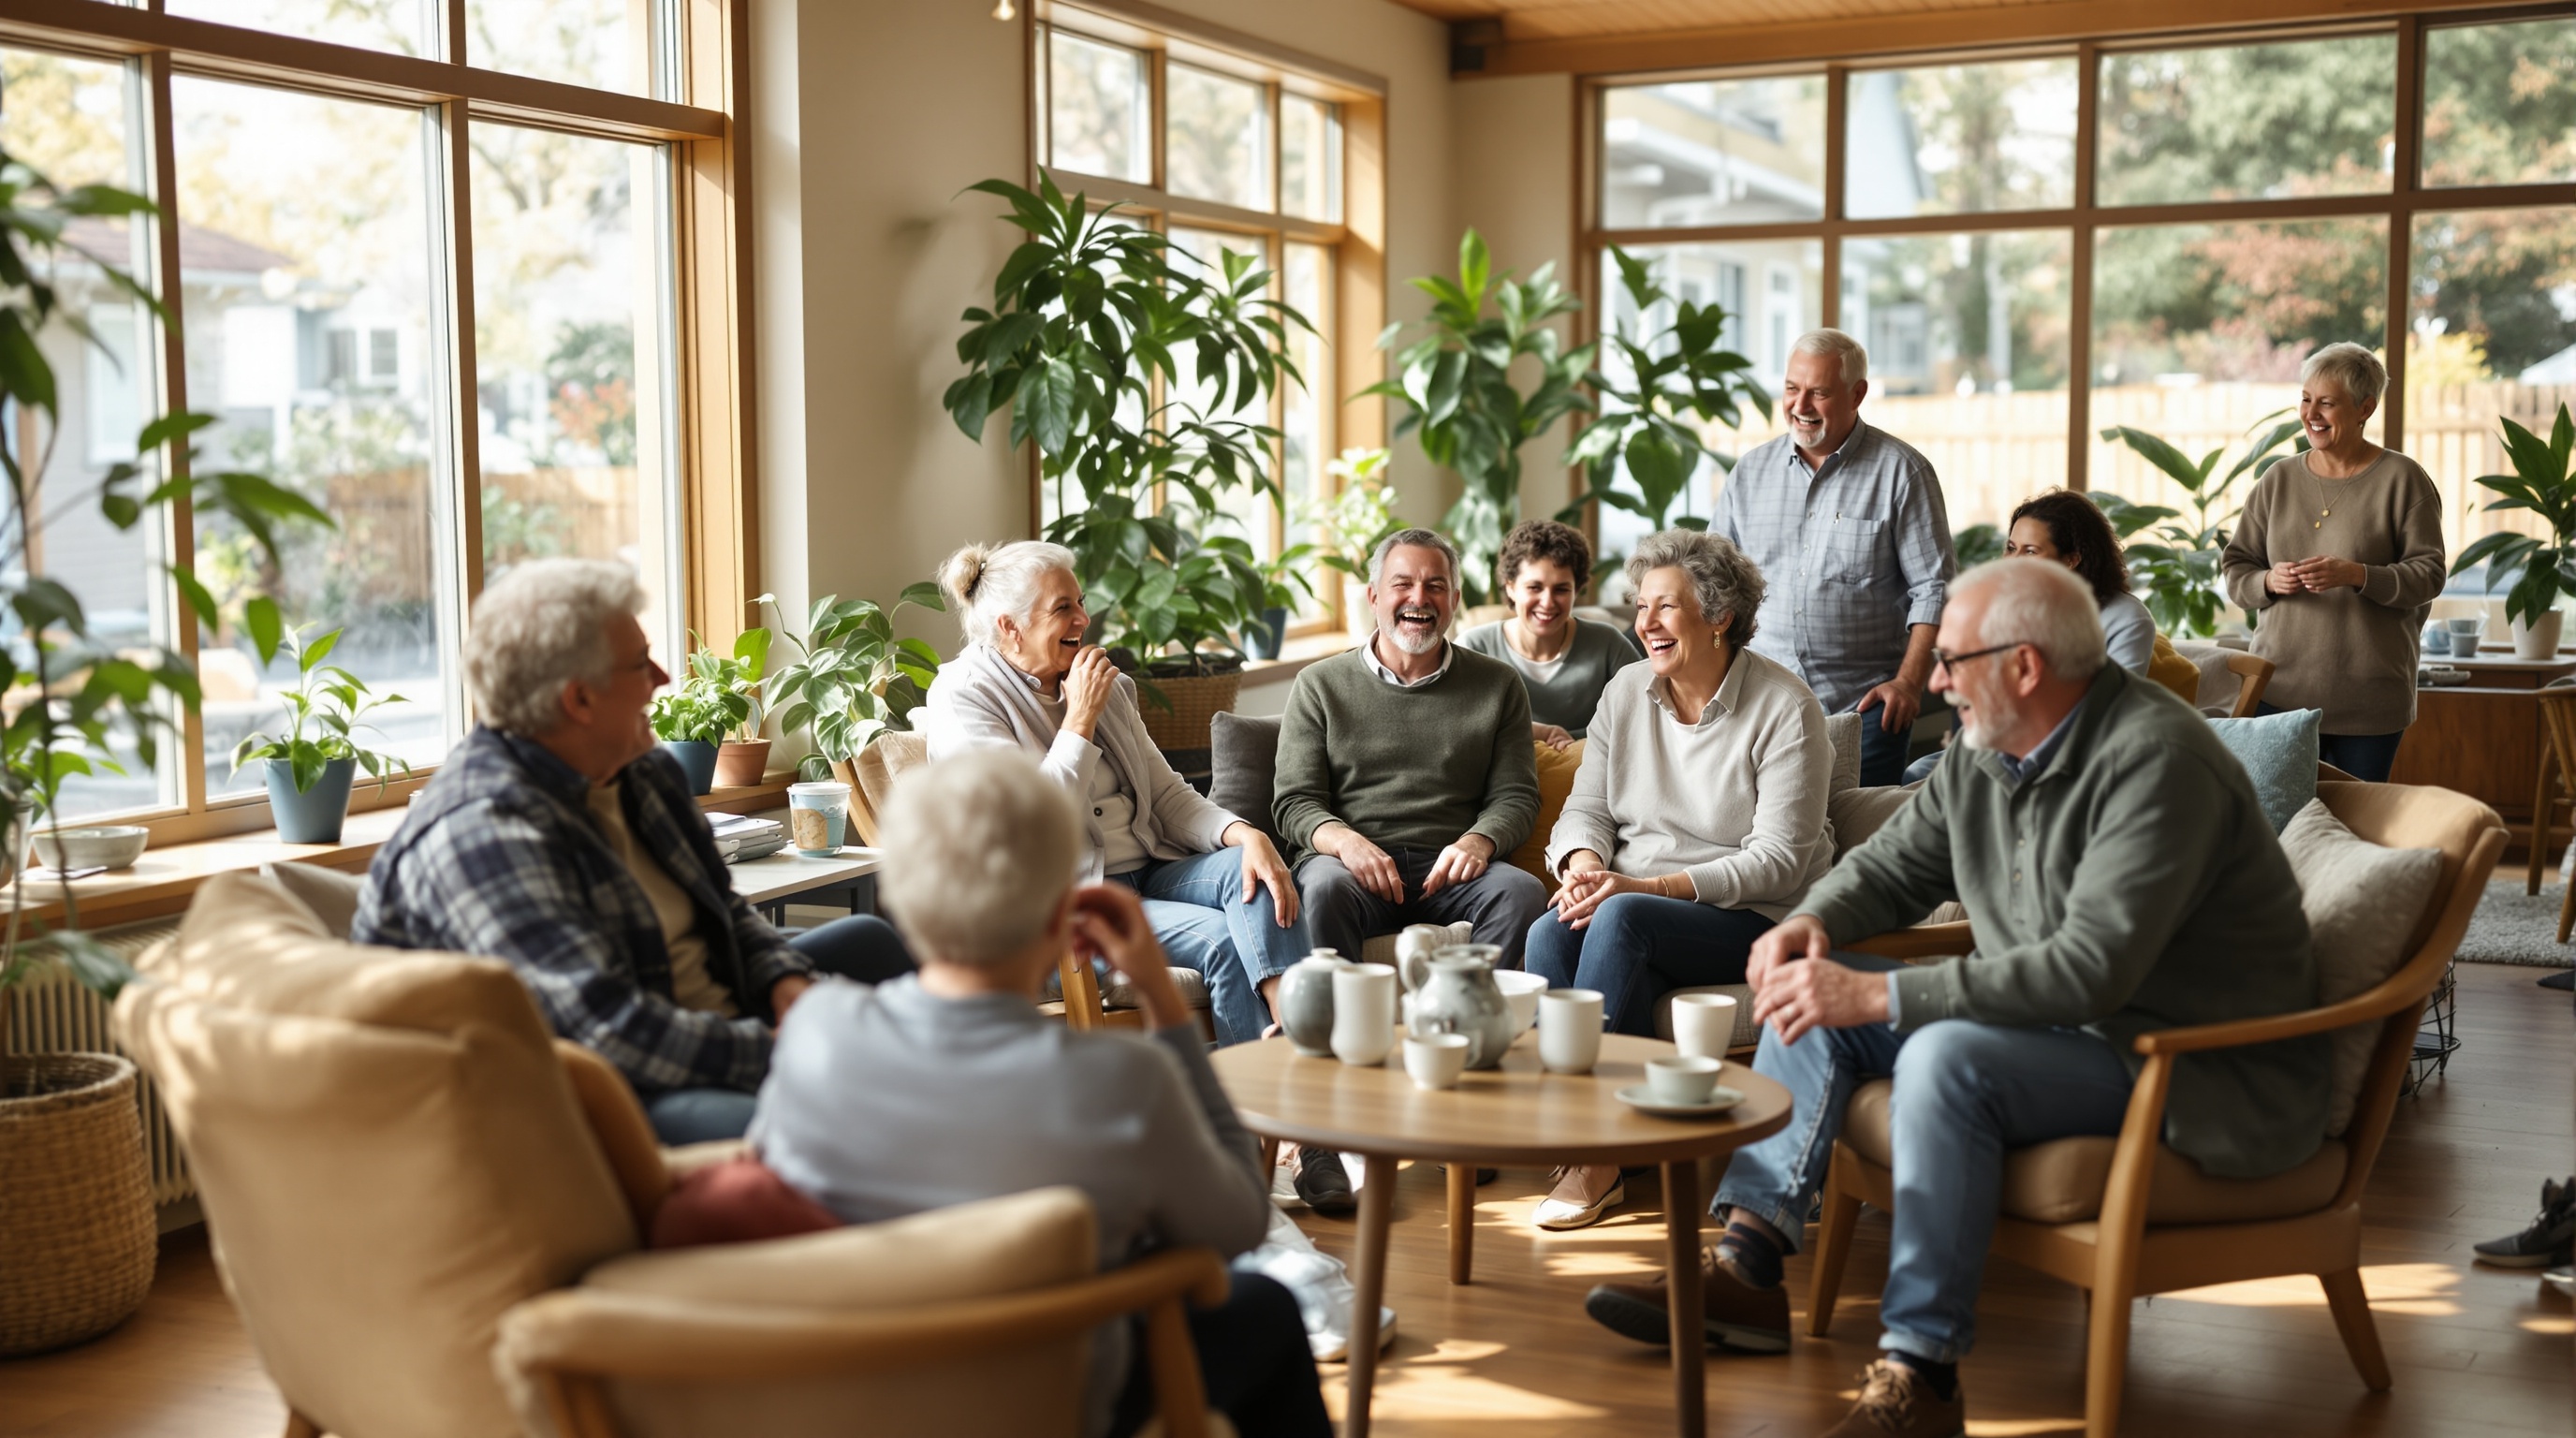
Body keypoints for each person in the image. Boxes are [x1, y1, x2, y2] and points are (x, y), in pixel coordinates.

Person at [1578, 559, 2325, 1438]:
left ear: (2025, 666)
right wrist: (1808, 926)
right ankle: (1745, 1273)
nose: (1931, 679)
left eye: (1953, 660)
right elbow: (1893, 868)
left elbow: (2090, 972)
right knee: (1814, 997)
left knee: (1939, 1051)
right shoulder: (1989, 742)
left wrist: (1874, 995)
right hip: (2054, 1025)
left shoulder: (2155, 763)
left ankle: (1922, 1374)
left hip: (2185, 1057)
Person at [752, 749, 1330, 1438]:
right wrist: (1165, 1010)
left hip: (855, 1397)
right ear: (1064, 910)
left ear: (898, 896)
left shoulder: (812, 1033)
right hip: (1051, 1401)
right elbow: (1236, 1224)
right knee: (1262, 1306)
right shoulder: (1123, 1082)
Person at [352, 559, 915, 1146]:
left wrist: (786, 985)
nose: (662, 676)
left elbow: (724, 910)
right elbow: (606, 1030)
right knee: (816, 1123)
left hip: (704, 1021)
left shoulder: (641, 774)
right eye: (638, 662)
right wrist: (786, 1048)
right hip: (599, 1094)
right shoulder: (484, 833)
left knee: (867, 944)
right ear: (580, 700)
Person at [1523, 529, 1833, 1231]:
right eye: (1640, 608)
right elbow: (1587, 809)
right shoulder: (1627, 691)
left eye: (1665, 608)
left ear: (1719, 616)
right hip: (1636, 904)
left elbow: (1779, 860)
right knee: (1549, 929)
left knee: (1621, 922)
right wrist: (1582, 866)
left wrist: (1642, 891)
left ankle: (1600, 1155)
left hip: (1756, 914)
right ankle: (1593, 1135)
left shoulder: (1786, 709)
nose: (1645, 625)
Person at [922, 540, 1307, 1049]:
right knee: (1221, 944)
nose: (1083, 619)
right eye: (1063, 608)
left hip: (1149, 870)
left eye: (1080, 602)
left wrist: (1245, 833)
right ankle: (1255, 1110)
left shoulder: (1106, 684)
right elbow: (1030, 829)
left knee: (1256, 872)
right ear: (1009, 628)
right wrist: (1079, 719)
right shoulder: (964, 697)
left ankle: (1293, 1046)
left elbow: (1167, 794)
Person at [1274, 527, 1548, 1206]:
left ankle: (1473, 1120)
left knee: (1519, 893)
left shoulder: (1498, 685)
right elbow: (1294, 802)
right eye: (1403, 584)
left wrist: (1482, 841)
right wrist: (1343, 839)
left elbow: (1517, 793)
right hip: (1352, 866)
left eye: (1434, 586)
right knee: (1322, 891)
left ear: (1455, 599)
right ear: (1373, 596)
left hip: (1454, 865)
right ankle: (1322, 1142)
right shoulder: (1319, 685)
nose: (1417, 599)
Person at [1717, 329, 1955, 787]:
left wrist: (1907, 684)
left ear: (1857, 394)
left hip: (1864, 712)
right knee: (1773, 847)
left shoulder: (1903, 474)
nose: (1800, 405)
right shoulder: (1749, 473)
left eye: (1819, 392)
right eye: (1791, 388)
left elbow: (1935, 589)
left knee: (1860, 847)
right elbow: (1713, 580)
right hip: (1760, 708)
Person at [2221, 342, 2446, 783]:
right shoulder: (2278, 479)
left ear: (2366, 408)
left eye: (2327, 403)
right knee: (2277, 827)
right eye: (2306, 399)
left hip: (2372, 700)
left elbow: (2429, 575)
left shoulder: (2403, 480)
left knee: (2354, 833)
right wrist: (2269, 581)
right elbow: (2237, 567)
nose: (2311, 414)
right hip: (2279, 693)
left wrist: (2358, 575)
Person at [1457, 520, 1643, 746]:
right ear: (1510, 587)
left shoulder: (1608, 644)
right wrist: (1541, 732)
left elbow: (1643, 716)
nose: (1547, 602)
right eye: (1534, 587)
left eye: (1561, 589)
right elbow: (1458, 721)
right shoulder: (1474, 647)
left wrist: (1573, 742)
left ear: (1577, 590)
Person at [2002, 489, 2157, 674]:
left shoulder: (2126, 619)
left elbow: (2114, 700)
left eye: (2030, 551)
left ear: (2071, 560)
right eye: (2012, 549)